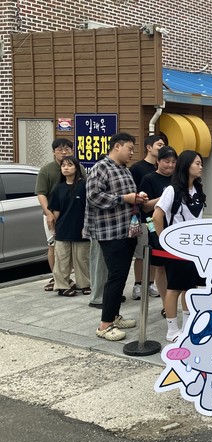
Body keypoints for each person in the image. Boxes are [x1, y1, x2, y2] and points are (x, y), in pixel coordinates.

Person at [86, 132, 148, 342]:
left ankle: (114, 316)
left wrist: (137, 198)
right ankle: (104, 325)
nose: (132, 153)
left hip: (127, 230)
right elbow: (93, 197)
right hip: (110, 231)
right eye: (129, 148)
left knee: (121, 276)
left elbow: (126, 196)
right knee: (115, 276)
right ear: (117, 146)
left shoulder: (123, 169)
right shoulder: (101, 167)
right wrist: (124, 198)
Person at [153, 150, 207, 343]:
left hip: (196, 248)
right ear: (186, 165)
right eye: (197, 163)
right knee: (174, 288)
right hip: (177, 248)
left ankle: (187, 327)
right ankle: (172, 330)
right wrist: (164, 241)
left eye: (201, 163)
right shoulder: (172, 190)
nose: (200, 167)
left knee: (190, 288)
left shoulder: (197, 190)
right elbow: (157, 216)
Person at [35, 138, 85, 291]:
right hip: (54, 213)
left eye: (67, 149)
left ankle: (79, 281)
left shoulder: (79, 168)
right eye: (59, 149)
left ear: (72, 151)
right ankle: (58, 278)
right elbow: (41, 194)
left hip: (75, 215)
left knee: (78, 250)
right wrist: (49, 214)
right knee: (54, 246)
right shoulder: (46, 170)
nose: (64, 152)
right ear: (53, 152)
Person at [140, 146, 177, 308]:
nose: (170, 165)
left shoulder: (177, 179)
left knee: (175, 265)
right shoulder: (149, 179)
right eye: (166, 161)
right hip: (154, 225)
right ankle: (165, 304)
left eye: (173, 162)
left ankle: (174, 301)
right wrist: (165, 198)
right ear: (158, 161)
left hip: (175, 225)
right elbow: (145, 207)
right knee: (160, 266)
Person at [48, 155, 90, 297]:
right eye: (63, 165)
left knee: (82, 259)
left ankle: (85, 284)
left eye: (70, 165)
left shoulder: (84, 185)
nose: (66, 168)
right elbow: (56, 211)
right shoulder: (58, 188)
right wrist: (54, 228)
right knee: (62, 259)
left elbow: (89, 208)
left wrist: (88, 226)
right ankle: (62, 286)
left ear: (76, 168)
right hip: (63, 229)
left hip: (81, 228)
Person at [130, 134, 166, 300]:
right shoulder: (137, 168)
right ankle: (138, 284)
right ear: (149, 147)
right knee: (141, 252)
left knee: (154, 251)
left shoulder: (164, 169)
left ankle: (150, 283)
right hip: (143, 218)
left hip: (161, 219)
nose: (162, 147)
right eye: (159, 145)